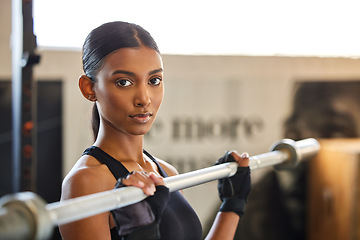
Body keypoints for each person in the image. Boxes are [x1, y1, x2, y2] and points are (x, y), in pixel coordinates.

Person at [59, 21, 251, 240]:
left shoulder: (166, 172)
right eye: (124, 82)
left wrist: (232, 206)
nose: (144, 98)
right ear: (89, 88)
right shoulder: (86, 182)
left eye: (154, 80)